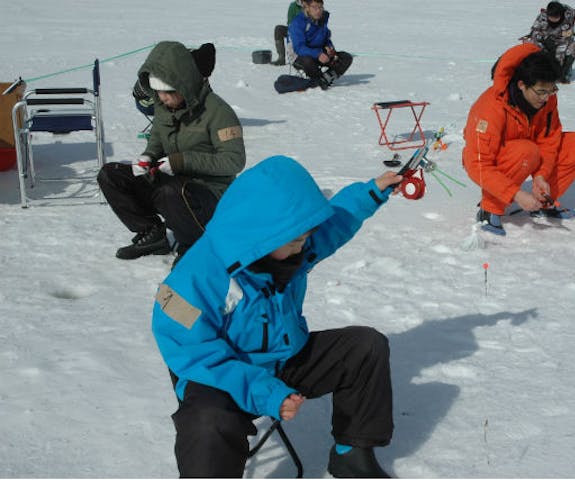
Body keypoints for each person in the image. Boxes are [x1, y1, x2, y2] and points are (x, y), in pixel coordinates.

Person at [152, 155, 401, 478]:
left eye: (304, 238)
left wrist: (372, 192)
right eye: (296, 240)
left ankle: (351, 453)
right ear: (262, 235)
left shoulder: (286, 251)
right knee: (208, 423)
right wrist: (265, 392)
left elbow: (332, 226)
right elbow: (192, 354)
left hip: (283, 360)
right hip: (222, 379)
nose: (303, 248)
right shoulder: (195, 279)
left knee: (365, 346)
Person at [98, 41, 245, 262]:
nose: (162, 98)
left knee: (170, 191)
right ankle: (152, 232)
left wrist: (182, 162)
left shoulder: (218, 112)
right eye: (157, 92)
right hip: (171, 181)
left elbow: (234, 161)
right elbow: (157, 138)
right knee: (111, 175)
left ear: (184, 84)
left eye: (168, 92)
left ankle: (194, 245)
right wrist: (148, 157)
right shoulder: (164, 106)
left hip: (209, 193)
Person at [462, 43, 575, 236]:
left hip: (528, 153)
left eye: (552, 90)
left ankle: (543, 202)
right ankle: (489, 209)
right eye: (541, 92)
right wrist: (514, 193)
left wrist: (541, 176)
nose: (547, 98)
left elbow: (549, 140)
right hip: (492, 160)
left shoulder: (546, 99)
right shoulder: (490, 109)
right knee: (527, 150)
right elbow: (478, 164)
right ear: (522, 84)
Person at [132, 43, 216, 119]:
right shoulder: (175, 67)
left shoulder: (195, 63)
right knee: (182, 104)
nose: (204, 78)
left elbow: (206, 92)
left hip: (164, 93)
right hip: (145, 100)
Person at [288, 0, 353, 89]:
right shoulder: (298, 22)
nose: (318, 10)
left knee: (346, 58)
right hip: (299, 56)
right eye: (315, 7)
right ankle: (318, 80)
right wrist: (318, 54)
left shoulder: (323, 19)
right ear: (307, 7)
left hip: (319, 52)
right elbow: (299, 48)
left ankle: (324, 79)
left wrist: (330, 48)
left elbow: (326, 39)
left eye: (320, 7)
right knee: (308, 61)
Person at [523, 1, 575, 83]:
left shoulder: (567, 19)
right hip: (543, 41)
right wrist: (544, 41)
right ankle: (535, 71)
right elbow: (535, 32)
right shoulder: (542, 17)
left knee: (574, 46)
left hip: (560, 43)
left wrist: (557, 62)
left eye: (555, 17)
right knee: (529, 43)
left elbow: (567, 38)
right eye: (551, 16)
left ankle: (563, 72)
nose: (553, 19)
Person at [271, 0, 304, 66]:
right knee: (279, 29)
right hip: (295, 30)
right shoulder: (293, 5)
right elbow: (290, 22)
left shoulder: (312, 5)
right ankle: (281, 58)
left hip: (308, 31)